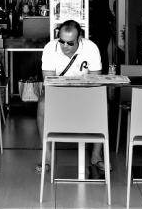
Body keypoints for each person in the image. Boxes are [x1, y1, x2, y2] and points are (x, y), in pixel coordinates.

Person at [37, 20, 103, 173]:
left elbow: (95, 82)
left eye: (70, 43)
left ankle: (96, 154)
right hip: (58, 93)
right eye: (62, 41)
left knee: (103, 103)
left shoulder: (91, 48)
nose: (65, 46)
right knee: (42, 104)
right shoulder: (50, 48)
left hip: (85, 93)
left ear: (79, 38)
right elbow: (49, 82)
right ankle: (46, 157)